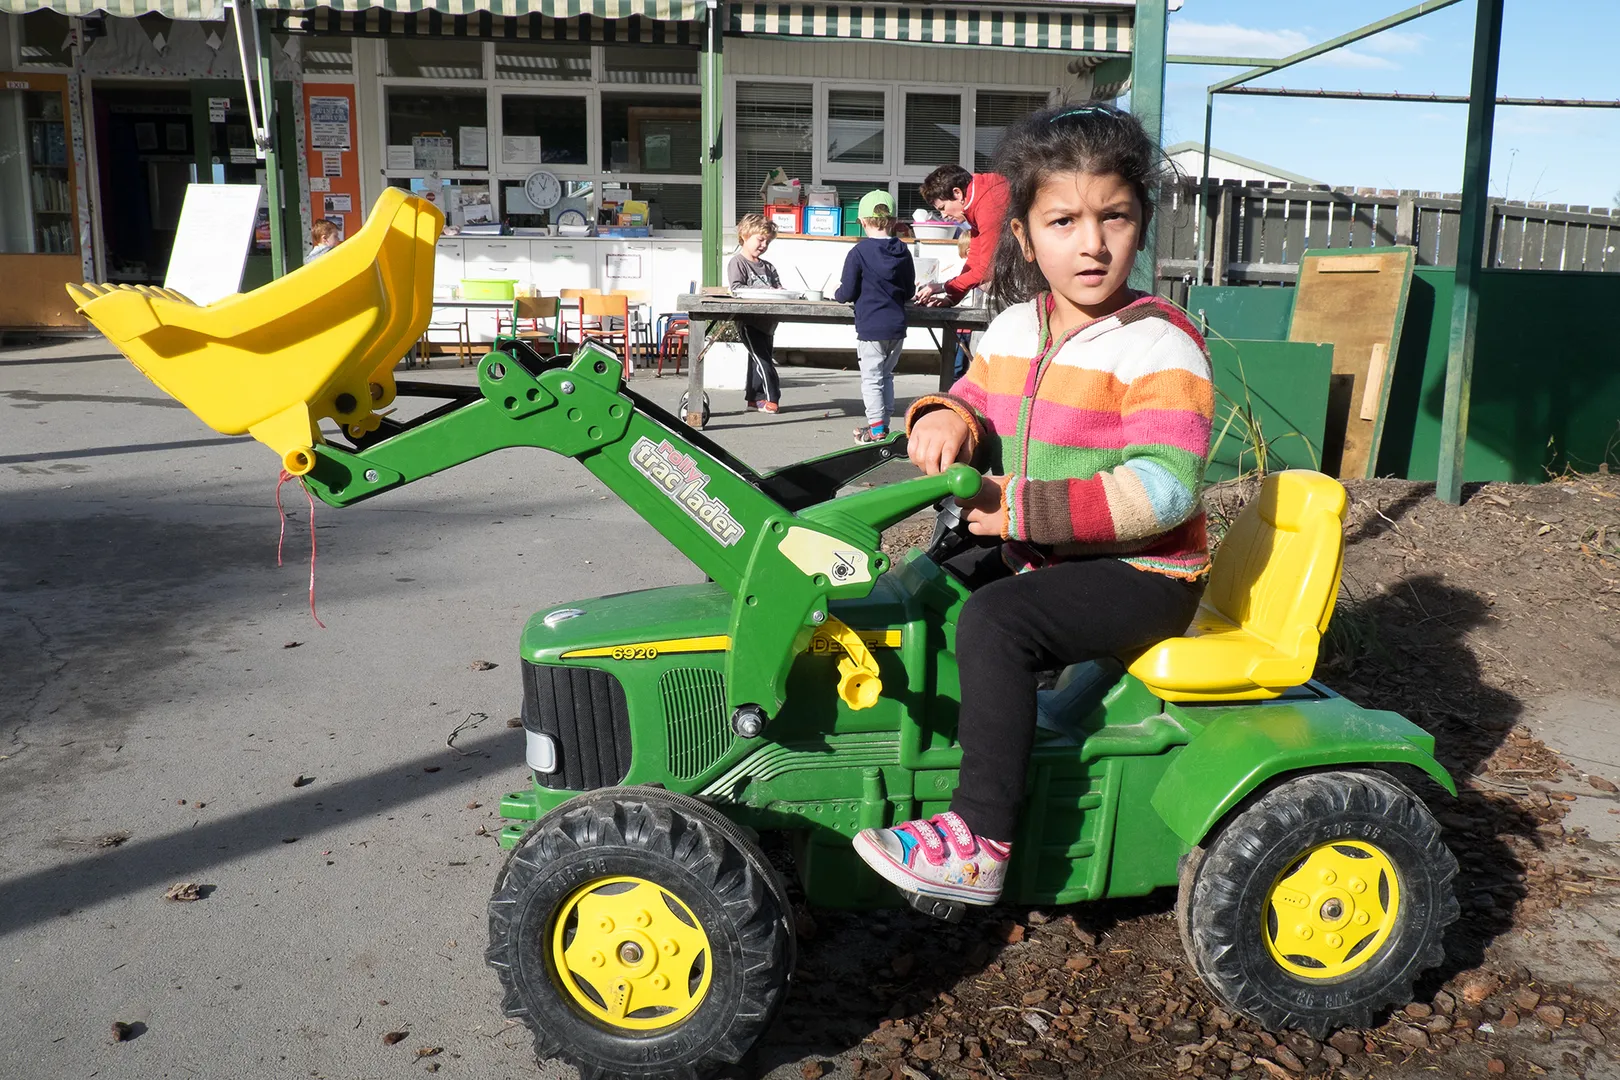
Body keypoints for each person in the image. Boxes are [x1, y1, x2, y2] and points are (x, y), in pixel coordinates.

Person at [852, 104, 1214, 910]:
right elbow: (976, 401)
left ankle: (980, 839)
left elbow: (1164, 491)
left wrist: (1014, 507)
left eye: (1114, 216)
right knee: (922, 585)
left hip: (1144, 573)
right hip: (1049, 549)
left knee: (997, 622)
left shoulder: (1161, 345)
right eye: (1063, 221)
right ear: (1022, 234)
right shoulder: (1018, 325)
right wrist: (945, 417)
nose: (1092, 244)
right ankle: (939, 742)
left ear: (1141, 222)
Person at [834, 191, 915, 444]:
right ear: (894, 221)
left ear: (861, 221)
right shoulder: (903, 251)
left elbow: (847, 292)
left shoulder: (859, 252)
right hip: (896, 326)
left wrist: (836, 294)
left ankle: (877, 429)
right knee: (886, 375)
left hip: (871, 326)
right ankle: (883, 423)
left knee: (871, 378)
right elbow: (909, 291)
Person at [912, 164, 1008, 307]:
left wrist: (945, 286)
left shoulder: (990, 204)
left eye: (943, 208)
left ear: (957, 193)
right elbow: (974, 261)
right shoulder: (976, 203)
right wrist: (952, 298)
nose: (944, 216)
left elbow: (987, 269)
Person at [726, 213, 784, 414]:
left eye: (768, 242)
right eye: (760, 239)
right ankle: (771, 398)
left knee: (756, 359)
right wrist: (766, 291)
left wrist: (781, 291)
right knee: (763, 361)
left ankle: (753, 398)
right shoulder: (738, 263)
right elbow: (736, 288)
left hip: (768, 322)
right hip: (749, 321)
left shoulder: (768, 267)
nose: (764, 245)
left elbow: (778, 288)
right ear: (744, 235)